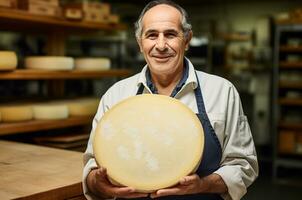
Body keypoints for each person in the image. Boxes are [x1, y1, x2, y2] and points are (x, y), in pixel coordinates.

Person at [83, 0, 258, 199]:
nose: (160, 45)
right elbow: (91, 170)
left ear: (187, 39)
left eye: (170, 34)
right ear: (140, 42)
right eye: (151, 35)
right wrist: (99, 184)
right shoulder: (116, 95)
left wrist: (202, 185)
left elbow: (244, 165)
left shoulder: (222, 92)